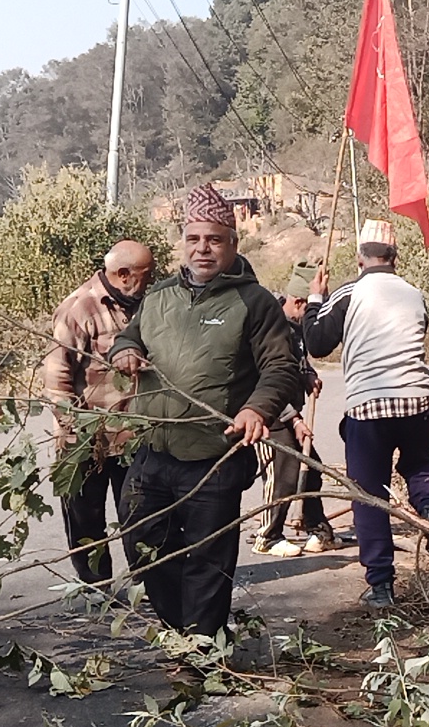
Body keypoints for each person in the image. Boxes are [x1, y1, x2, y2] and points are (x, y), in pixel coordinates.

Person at [107, 184, 304, 639]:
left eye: (214, 239)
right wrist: (125, 351)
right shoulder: (158, 296)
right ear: (182, 242)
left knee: (208, 561)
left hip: (215, 455)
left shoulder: (253, 303)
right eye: (194, 239)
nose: (203, 249)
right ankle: (185, 633)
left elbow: (281, 368)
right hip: (153, 450)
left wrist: (258, 409)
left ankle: (199, 651)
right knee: (143, 549)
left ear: (232, 245)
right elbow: (128, 336)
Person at [304, 220, 429, 609]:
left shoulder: (351, 292)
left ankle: (381, 585)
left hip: (369, 406)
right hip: (418, 399)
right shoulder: (414, 294)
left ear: (360, 257)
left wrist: (316, 299)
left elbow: (316, 343)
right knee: (419, 466)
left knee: (368, 494)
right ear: (394, 257)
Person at [41, 239, 155, 587]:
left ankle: (149, 583)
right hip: (86, 440)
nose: (149, 283)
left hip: (133, 439)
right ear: (123, 275)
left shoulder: (144, 306)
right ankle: (96, 586)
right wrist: (76, 432)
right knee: (85, 520)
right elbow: (56, 378)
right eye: (144, 276)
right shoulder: (79, 309)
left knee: (141, 515)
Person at [253, 263, 338, 557]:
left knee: (311, 469)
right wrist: (295, 418)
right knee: (283, 474)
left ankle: (318, 529)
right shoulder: (269, 325)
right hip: (271, 415)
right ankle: (268, 535)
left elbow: (296, 362)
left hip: (291, 414)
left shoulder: (296, 326)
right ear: (299, 302)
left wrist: (308, 375)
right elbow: (268, 377)